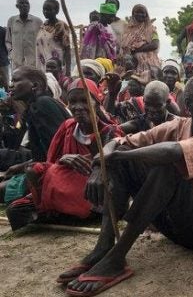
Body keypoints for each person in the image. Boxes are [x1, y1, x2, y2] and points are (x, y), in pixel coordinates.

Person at [60, 74, 193, 297]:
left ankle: (116, 257)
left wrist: (118, 158)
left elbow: (173, 151)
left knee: (167, 164)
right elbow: (119, 140)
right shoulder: (178, 125)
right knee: (122, 154)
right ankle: (104, 247)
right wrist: (100, 163)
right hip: (175, 227)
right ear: (189, 107)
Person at [5, 79, 122, 231]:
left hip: (90, 190)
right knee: (15, 209)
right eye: (73, 102)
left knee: (95, 199)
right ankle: (60, 211)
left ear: (96, 102)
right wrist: (63, 159)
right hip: (62, 185)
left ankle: (61, 212)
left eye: (84, 101)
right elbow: (51, 164)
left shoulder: (110, 132)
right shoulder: (67, 128)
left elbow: (116, 172)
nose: (78, 107)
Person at [0, 67, 70, 204]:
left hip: (58, 173)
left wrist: (26, 169)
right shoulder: (35, 106)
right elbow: (43, 154)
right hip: (48, 168)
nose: (10, 85)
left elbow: (56, 152)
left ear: (35, 85)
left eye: (16, 80)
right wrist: (19, 167)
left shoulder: (42, 105)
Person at [121, 4, 160, 73]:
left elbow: (155, 45)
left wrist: (136, 50)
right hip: (130, 63)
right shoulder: (127, 30)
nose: (140, 14)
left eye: (142, 13)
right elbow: (124, 46)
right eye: (137, 12)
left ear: (146, 15)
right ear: (133, 14)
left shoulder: (151, 29)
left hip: (148, 64)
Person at [35, 0, 71, 75]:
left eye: (49, 9)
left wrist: (68, 71)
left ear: (56, 11)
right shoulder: (43, 26)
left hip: (55, 66)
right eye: (44, 9)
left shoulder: (61, 26)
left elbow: (67, 50)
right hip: (42, 66)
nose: (45, 12)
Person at [5, 0, 43, 69]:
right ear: (17, 6)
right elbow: (8, 40)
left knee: (33, 80)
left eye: (27, 3)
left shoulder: (38, 21)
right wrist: (11, 51)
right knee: (18, 80)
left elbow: (42, 41)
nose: (25, 5)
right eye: (22, 3)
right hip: (17, 62)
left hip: (33, 63)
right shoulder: (12, 21)